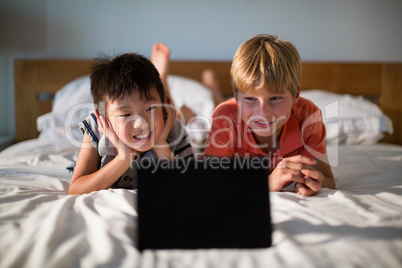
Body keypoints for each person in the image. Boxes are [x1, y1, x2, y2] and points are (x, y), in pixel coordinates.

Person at [203, 34, 335, 196]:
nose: (263, 112)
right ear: (237, 96)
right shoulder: (225, 117)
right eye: (251, 98)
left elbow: (328, 181)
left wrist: (315, 182)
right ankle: (212, 87)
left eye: (275, 98)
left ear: (295, 95)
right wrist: (265, 183)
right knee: (217, 107)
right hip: (227, 118)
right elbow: (209, 183)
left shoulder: (308, 116)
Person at [69, 52, 193, 195]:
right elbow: (76, 189)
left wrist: (161, 145)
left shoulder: (174, 130)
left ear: (164, 105)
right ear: (102, 118)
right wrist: (124, 157)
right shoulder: (97, 129)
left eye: (150, 108)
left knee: (183, 118)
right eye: (126, 114)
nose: (141, 124)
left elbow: (188, 187)